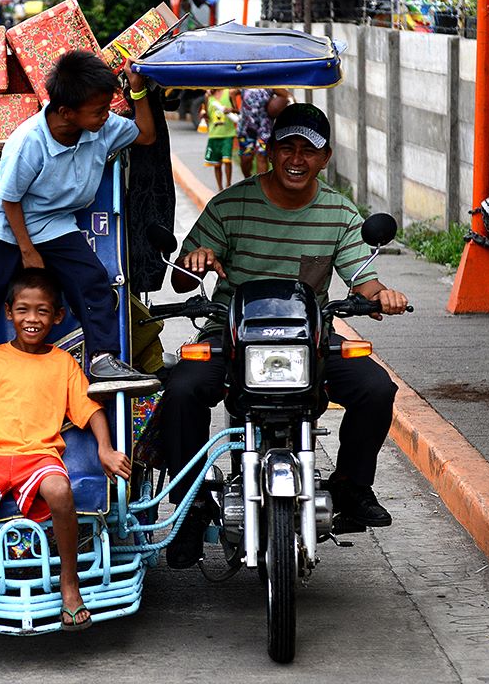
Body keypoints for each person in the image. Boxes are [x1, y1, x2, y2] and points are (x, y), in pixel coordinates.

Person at [157, 102, 409, 569]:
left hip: (310, 339)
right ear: (270, 150)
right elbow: (181, 279)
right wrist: (198, 262)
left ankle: (351, 487)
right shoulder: (230, 205)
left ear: (325, 158)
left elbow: (363, 281)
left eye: (308, 151)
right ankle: (191, 504)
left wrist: (383, 296)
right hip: (230, 333)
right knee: (181, 389)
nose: (297, 159)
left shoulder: (339, 212)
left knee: (376, 388)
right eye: (287, 147)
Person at [0, 50, 161, 404]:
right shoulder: (29, 140)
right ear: (66, 112)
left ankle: (103, 361)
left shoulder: (101, 127)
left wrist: (138, 91)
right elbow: (9, 199)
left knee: (91, 280)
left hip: (53, 220)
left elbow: (145, 135)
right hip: (3, 218)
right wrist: (28, 252)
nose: (105, 115)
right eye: (98, 110)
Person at [0, 268, 132, 631]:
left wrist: (106, 450)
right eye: (23, 310)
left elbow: (90, 409)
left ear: (57, 316)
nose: (32, 319)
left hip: (39, 456)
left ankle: (69, 583)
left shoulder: (63, 362)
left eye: (42, 311)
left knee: (59, 490)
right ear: (8, 313)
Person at [236, 87, 292, 178]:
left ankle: (259, 184)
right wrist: (235, 109)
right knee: (246, 157)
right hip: (246, 129)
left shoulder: (269, 83)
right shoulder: (245, 82)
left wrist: (285, 110)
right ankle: (247, 179)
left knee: (262, 156)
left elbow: (288, 96)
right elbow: (232, 92)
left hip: (264, 129)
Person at [201, 88, 240, 190]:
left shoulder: (229, 92)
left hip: (228, 134)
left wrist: (231, 110)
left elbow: (238, 111)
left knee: (227, 160)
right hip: (214, 134)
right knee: (216, 164)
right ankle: (220, 188)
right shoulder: (208, 96)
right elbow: (207, 115)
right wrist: (203, 115)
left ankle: (228, 186)